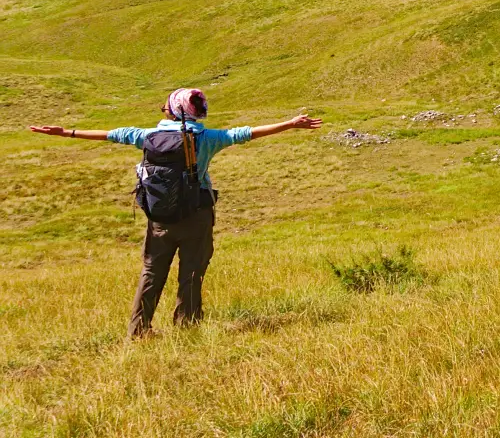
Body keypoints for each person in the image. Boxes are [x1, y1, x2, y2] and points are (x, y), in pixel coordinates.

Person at [31, 88, 322, 338]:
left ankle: (139, 330)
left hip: (159, 217)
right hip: (196, 214)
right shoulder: (207, 138)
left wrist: (67, 132)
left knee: (151, 271)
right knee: (192, 272)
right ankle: (187, 327)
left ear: (170, 110)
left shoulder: (146, 136)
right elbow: (245, 133)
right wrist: (290, 124)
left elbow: (112, 135)